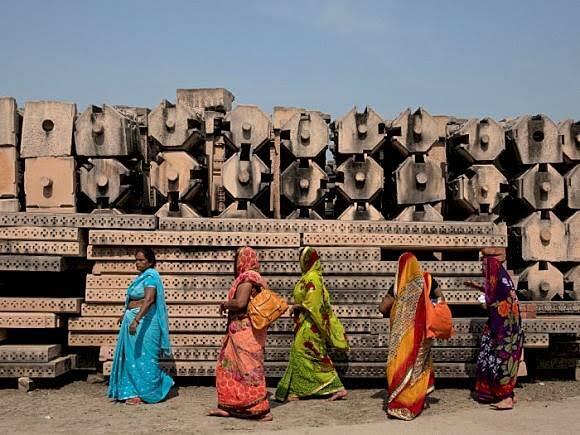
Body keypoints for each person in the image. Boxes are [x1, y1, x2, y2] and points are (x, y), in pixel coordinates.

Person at [275, 246, 349, 402]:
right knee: (311, 354)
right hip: (307, 323)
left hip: (311, 325)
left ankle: (334, 386)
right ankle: (298, 390)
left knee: (302, 352)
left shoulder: (312, 277)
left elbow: (313, 303)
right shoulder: (310, 276)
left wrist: (297, 306)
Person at [208, 246, 272, 421]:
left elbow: (241, 303)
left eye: (237, 259)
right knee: (230, 367)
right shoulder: (258, 278)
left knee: (247, 370)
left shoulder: (247, 278)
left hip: (244, 331)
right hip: (248, 331)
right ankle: (230, 406)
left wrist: (225, 304)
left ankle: (259, 409)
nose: (235, 263)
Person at [378, 252, 444, 420]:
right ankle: (415, 398)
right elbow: (441, 298)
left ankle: (403, 403)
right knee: (418, 367)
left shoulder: (398, 285)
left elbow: (383, 307)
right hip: (423, 334)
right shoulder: (428, 280)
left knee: (399, 365)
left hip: (403, 336)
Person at [108, 247, 174, 404]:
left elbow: (149, 300)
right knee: (133, 358)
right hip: (134, 320)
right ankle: (132, 391)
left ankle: (153, 390)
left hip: (146, 323)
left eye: (141, 260)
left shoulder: (151, 276)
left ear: (150, 262)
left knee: (145, 358)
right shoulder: (142, 276)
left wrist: (136, 319)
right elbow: (134, 299)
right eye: (136, 260)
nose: (137, 263)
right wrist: (125, 314)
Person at [465, 247, 524, 410]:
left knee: (501, 359)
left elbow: (496, 303)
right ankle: (503, 394)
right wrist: (478, 288)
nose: (483, 269)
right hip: (503, 326)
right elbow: (496, 293)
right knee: (490, 356)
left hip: (504, 329)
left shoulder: (498, 277)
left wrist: (486, 303)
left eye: (485, 266)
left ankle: (506, 398)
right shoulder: (502, 277)